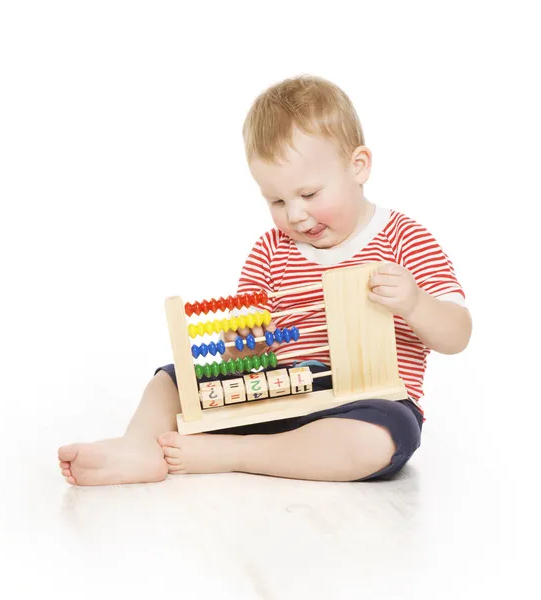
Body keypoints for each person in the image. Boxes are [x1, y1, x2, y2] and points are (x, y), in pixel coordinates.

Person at [58, 75, 472, 486]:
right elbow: (245, 355)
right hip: (276, 396)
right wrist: (243, 343)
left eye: (309, 194)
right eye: (276, 200)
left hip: (364, 404)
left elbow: (456, 336)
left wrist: (416, 304)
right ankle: (139, 447)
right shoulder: (270, 252)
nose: (294, 214)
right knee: (172, 379)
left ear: (358, 166)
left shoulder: (404, 238)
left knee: (381, 435)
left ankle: (235, 453)